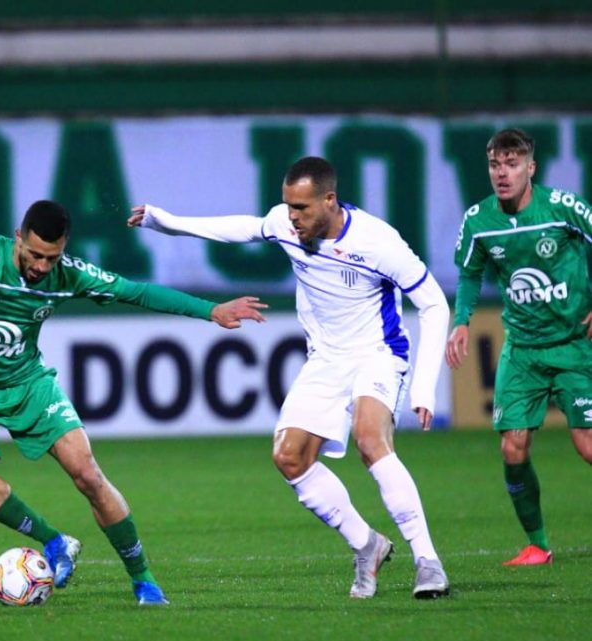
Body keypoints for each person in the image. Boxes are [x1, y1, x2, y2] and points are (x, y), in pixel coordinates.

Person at [0, 200, 267, 605]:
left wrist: (211, 310)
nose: (42, 267)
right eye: (34, 255)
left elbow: (136, 292)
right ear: (18, 238)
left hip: (29, 384)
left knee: (87, 474)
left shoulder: (70, 274)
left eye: (52, 257)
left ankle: (144, 580)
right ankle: (53, 540)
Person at [128, 156, 451, 599]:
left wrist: (424, 385)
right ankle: (367, 545)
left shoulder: (378, 242)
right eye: (287, 206)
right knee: (289, 457)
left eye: (301, 208)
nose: (291, 217)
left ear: (329, 200)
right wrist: (166, 221)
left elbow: (434, 303)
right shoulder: (285, 223)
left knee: (370, 440)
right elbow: (241, 228)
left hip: (377, 354)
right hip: (325, 359)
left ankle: (427, 561)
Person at [445, 128, 592, 566]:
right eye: (495, 164)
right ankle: (537, 544)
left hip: (573, 347)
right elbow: (470, 274)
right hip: (523, 351)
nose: (502, 173)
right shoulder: (478, 220)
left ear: (531, 167)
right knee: (512, 446)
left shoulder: (562, 208)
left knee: (587, 445)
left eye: (512, 164)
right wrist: (461, 322)